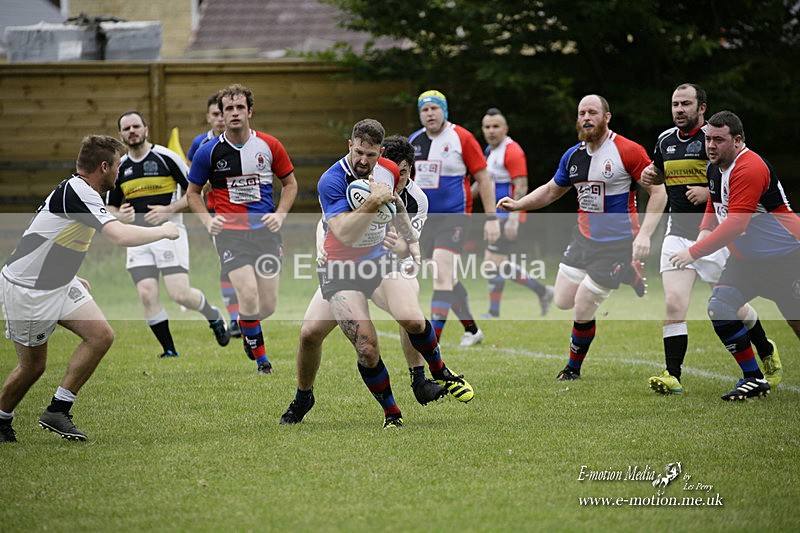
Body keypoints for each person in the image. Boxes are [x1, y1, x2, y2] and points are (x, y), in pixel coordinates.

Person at [282, 119, 473, 429]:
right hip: (339, 269)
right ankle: (382, 412)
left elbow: (396, 203)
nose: (363, 161)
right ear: (349, 146)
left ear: (380, 153)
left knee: (412, 318)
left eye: (370, 155)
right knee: (351, 342)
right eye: (358, 152)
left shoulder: (386, 170)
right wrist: (372, 202)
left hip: (378, 262)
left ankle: (440, 372)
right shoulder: (331, 180)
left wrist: (410, 241)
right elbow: (344, 232)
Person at [0, 135, 180, 443]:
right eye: (118, 166)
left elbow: (55, 236)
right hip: (29, 290)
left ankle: (58, 409)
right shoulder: (79, 191)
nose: (120, 172)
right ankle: (2, 419)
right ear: (104, 166)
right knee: (33, 367)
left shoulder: (83, 191)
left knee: (101, 335)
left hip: (57, 282)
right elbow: (120, 235)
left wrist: (70, 273)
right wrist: (163, 230)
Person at [498, 94, 667, 380]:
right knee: (562, 300)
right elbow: (552, 190)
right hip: (583, 239)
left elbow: (659, 192)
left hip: (618, 244)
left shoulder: (628, 150)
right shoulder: (573, 156)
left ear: (606, 117)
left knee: (583, 305)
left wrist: (645, 236)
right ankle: (627, 274)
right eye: (582, 113)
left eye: (592, 112)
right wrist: (519, 204)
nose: (586, 117)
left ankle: (572, 369)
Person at [641, 84, 780, 395]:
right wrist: (651, 176)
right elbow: (659, 173)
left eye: (686, 104)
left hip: (716, 236)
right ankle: (672, 374)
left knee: (733, 306)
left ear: (701, 107)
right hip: (678, 233)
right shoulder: (664, 140)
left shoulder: (717, 140)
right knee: (674, 303)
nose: (679, 109)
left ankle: (765, 349)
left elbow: (731, 178)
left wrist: (709, 193)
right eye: (675, 103)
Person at [669, 110, 800, 401]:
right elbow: (713, 206)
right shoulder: (715, 167)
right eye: (708, 139)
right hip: (746, 262)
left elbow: (736, 223)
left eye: (719, 139)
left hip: (787, 258)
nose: (711, 146)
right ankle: (752, 378)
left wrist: (693, 251)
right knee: (720, 307)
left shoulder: (749, 167)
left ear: (738, 140)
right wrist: (704, 230)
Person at [186, 83, 298, 374]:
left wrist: (281, 215)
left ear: (249, 111)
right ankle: (262, 362)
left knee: (268, 305)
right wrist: (209, 221)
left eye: (239, 108)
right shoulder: (207, 152)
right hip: (231, 236)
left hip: (266, 233)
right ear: (221, 114)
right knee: (247, 296)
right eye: (228, 109)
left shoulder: (270, 146)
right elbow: (192, 193)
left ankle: (250, 332)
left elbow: (290, 184)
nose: (234, 113)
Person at [108, 111, 231, 358]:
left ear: (146, 129)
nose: (132, 131)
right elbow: (110, 206)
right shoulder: (119, 167)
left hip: (169, 233)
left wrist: (169, 209)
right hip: (137, 236)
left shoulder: (166, 157)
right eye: (126, 128)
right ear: (120, 135)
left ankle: (213, 315)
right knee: (146, 293)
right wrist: (120, 215)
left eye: (136, 126)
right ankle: (169, 350)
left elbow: (194, 193)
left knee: (180, 294)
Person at [409, 90, 500, 346]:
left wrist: (491, 218)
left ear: (444, 111)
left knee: (441, 273)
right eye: (425, 110)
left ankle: (431, 342)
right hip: (425, 219)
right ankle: (472, 330)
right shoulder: (414, 141)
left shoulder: (462, 137)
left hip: (455, 217)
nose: (430, 114)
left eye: (434, 108)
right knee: (446, 276)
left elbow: (483, 178)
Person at [478, 108, 553, 319]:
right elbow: (483, 183)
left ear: (505, 128)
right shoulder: (489, 151)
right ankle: (542, 291)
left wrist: (514, 219)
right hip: (496, 217)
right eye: (487, 127)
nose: (491, 131)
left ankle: (495, 311)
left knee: (491, 263)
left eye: (496, 126)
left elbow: (521, 186)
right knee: (495, 264)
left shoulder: (512, 150)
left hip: (507, 217)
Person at [187, 93, 241, 338]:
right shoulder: (201, 143)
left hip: (240, 213)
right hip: (215, 214)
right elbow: (191, 178)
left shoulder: (241, 141)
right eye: (216, 114)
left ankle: (245, 312)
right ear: (208, 117)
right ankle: (234, 317)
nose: (221, 118)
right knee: (227, 264)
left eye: (223, 113)